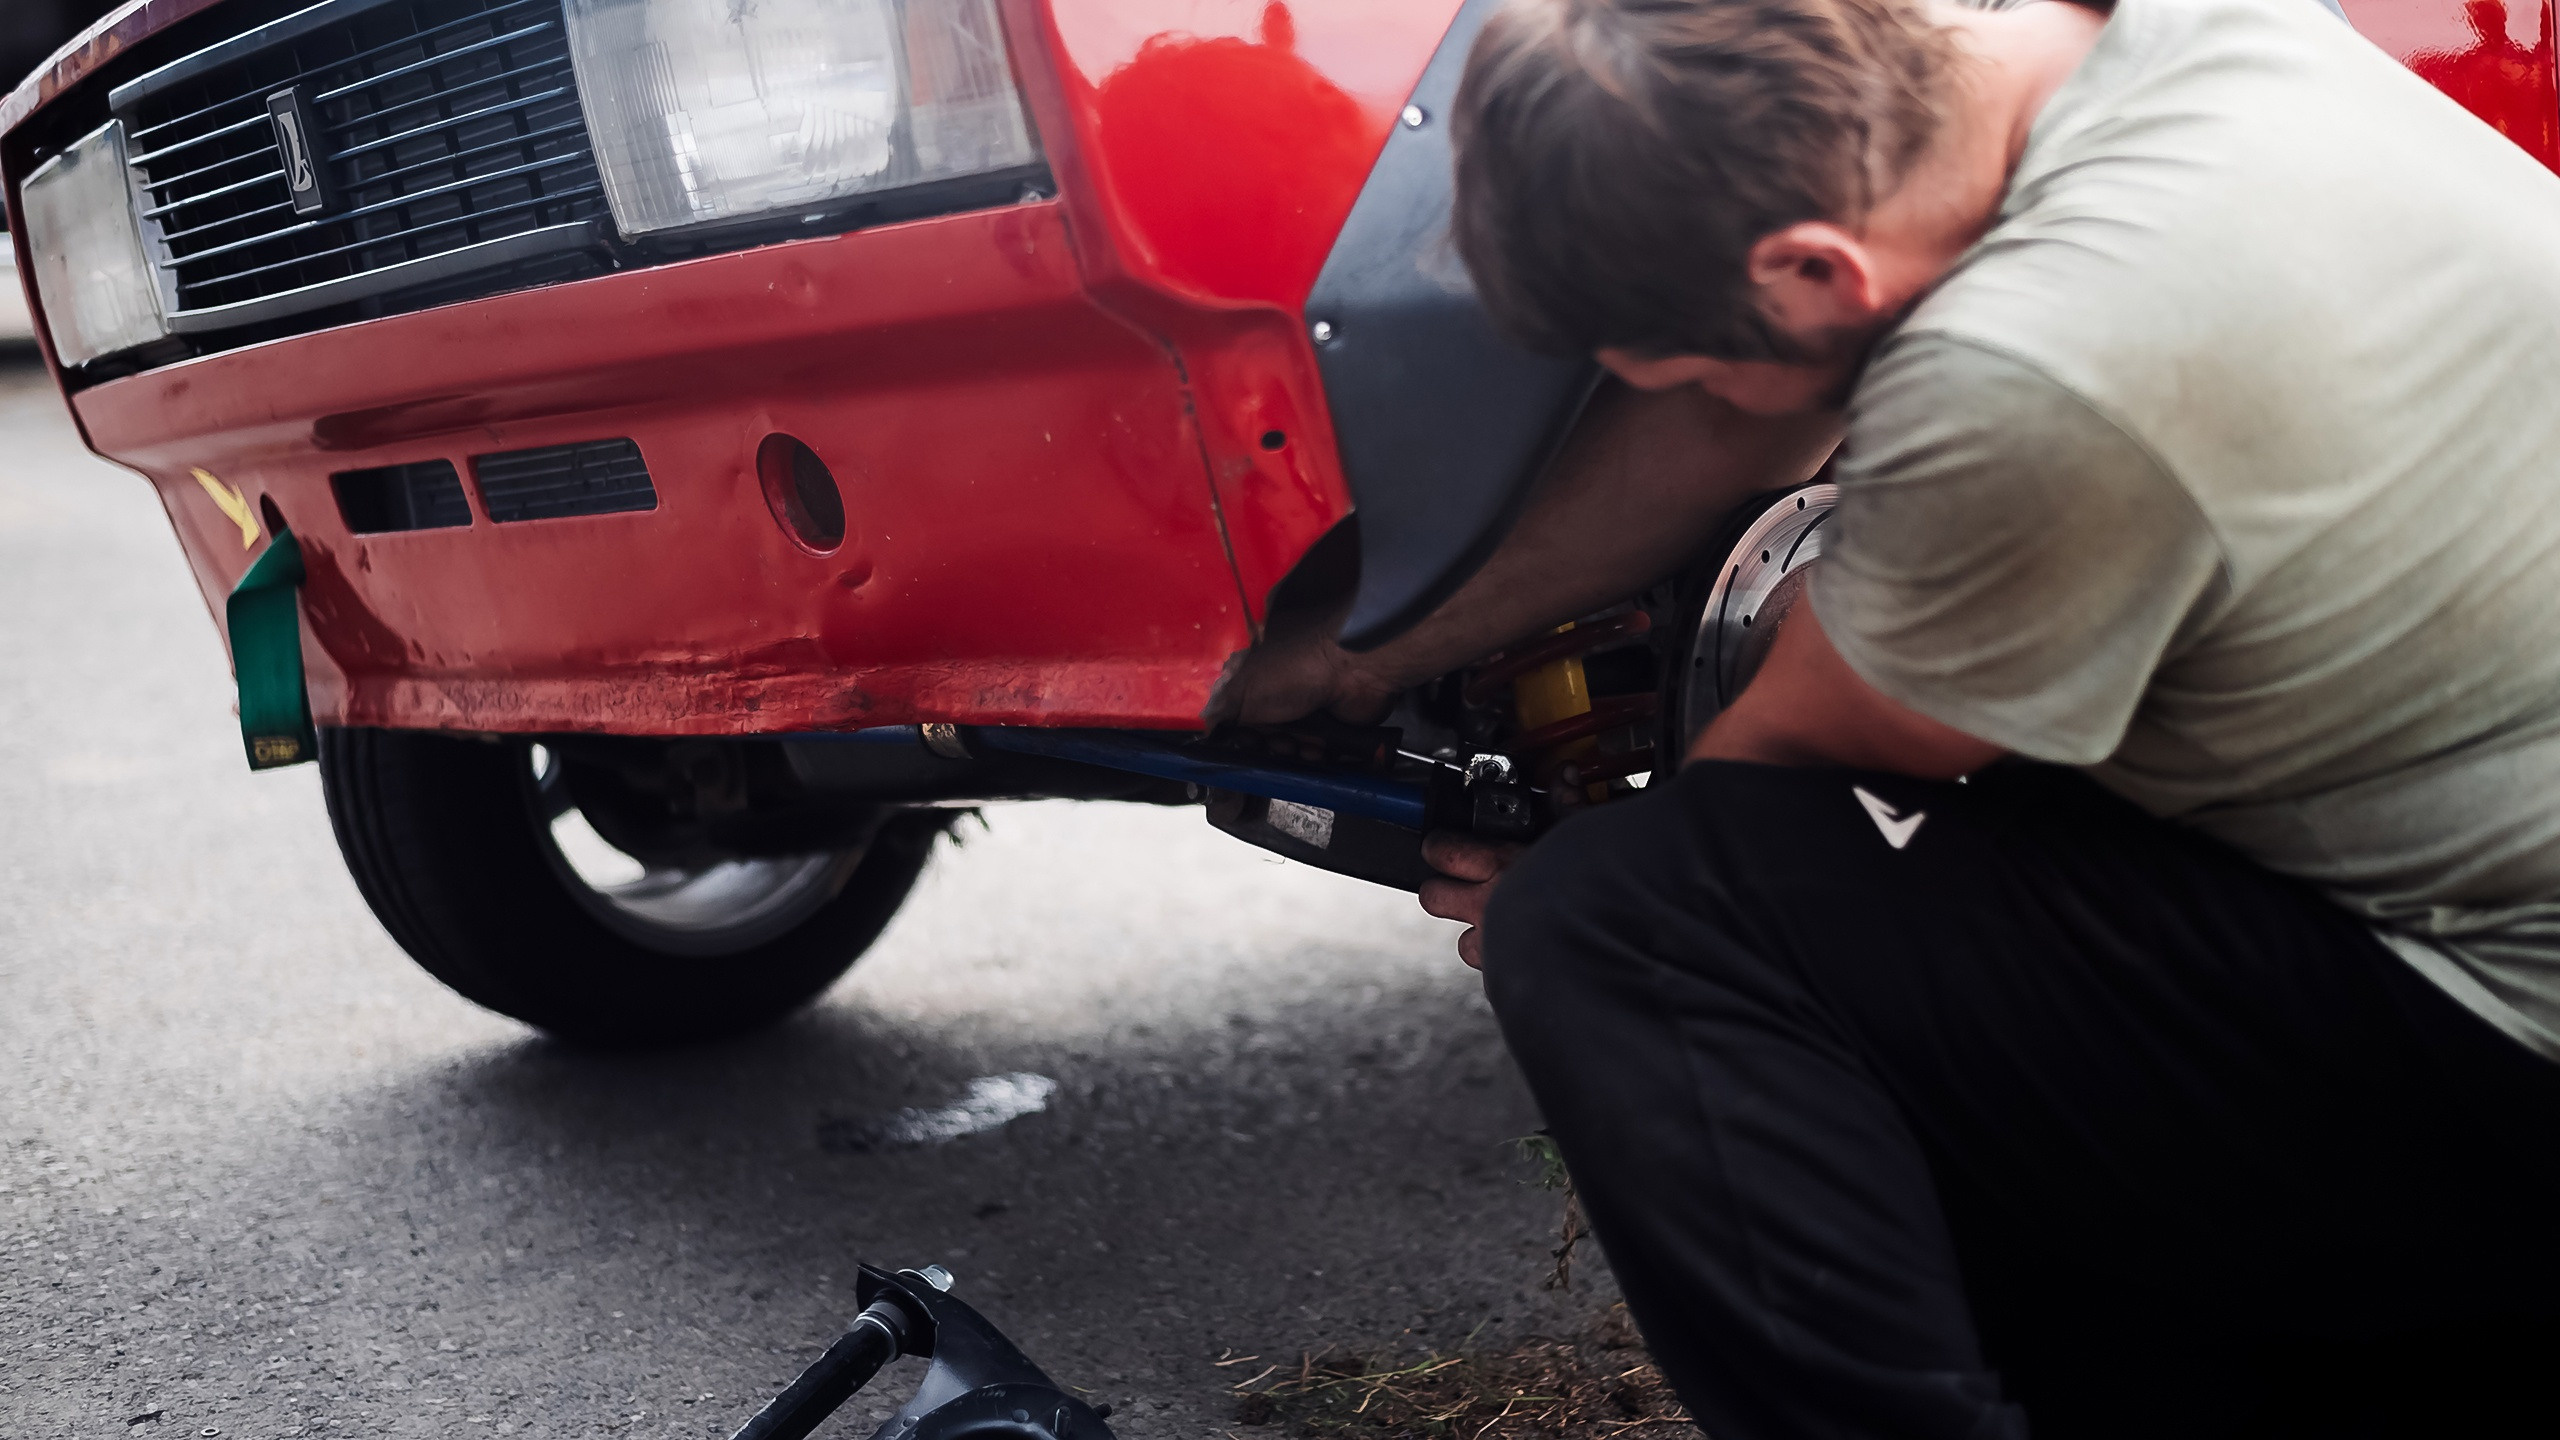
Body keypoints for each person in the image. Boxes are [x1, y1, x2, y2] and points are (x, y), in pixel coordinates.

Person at [1233, 0, 2560, 1433]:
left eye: (1674, 361)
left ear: (1815, 266)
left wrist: (1543, 887)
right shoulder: (2186, 45)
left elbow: (1774, 787)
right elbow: (1746, 410)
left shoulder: (2036, 367)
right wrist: (1369, 653)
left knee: (1631, 926)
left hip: (2511, 1052)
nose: (1678, 398)